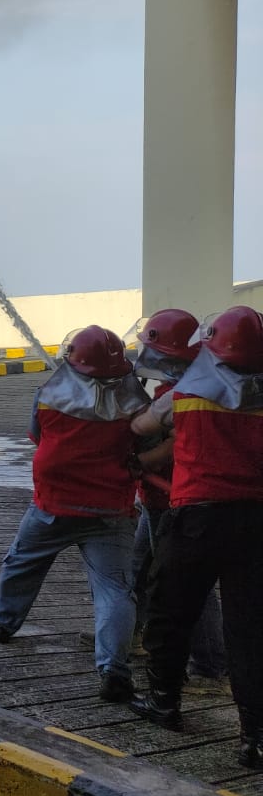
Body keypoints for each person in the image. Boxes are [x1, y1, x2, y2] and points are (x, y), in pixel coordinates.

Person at [0, 325, 149, 702]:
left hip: (53, 505)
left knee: (21, 564)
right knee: (115, 590)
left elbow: (37, 437)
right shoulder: (138, 402)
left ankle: (2, 625)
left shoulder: (48, 395)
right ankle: (113, 669)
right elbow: (144, 445)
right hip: (110, 512)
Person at [129, 306, 263, 766]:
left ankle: (164, 702)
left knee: (170, 610)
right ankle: (255, 738)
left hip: (196, 519)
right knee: (251, 630)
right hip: (256, 522)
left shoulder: (186, 392)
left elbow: (141, 426)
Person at [126, 309, 226, 688]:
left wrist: (137, 459)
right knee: (137, 567)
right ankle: (128, 633)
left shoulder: (180, 393)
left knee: (185, 582)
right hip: (160, 495)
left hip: (173, 499)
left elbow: (167, 442)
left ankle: (209, 662)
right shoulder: (206, 382)